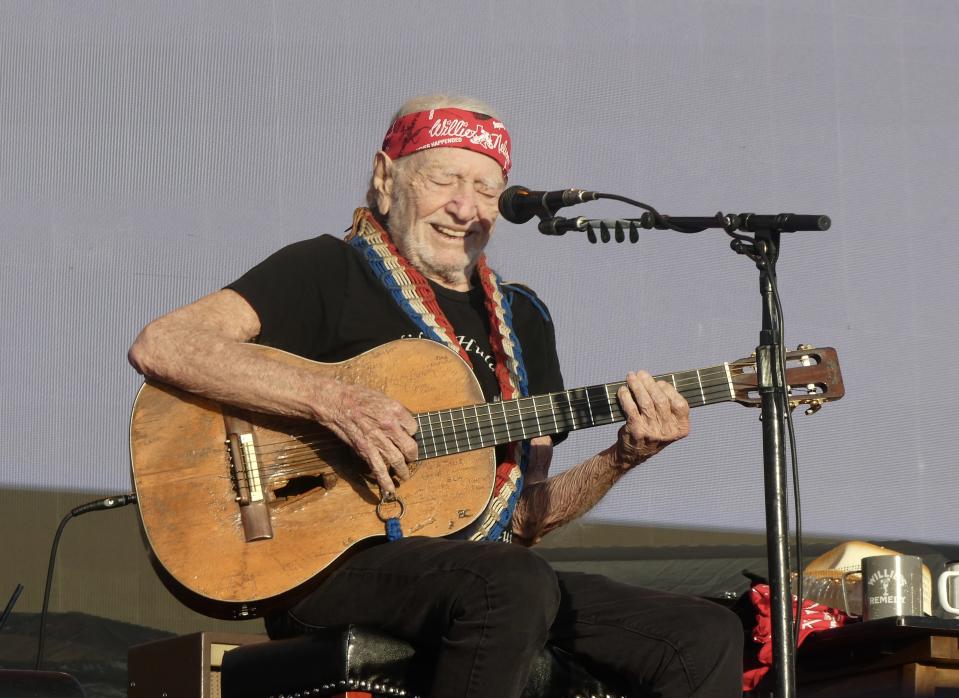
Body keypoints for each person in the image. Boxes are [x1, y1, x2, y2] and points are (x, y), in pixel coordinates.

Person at [128, 94, 743, 697]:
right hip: (323, 567)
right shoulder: (326, 271)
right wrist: (334, 402)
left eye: (486, 190)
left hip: (481, 568)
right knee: (511, 583)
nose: (464, 207)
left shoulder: (522, 321)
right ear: (386, 178)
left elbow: (524, 520)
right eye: (444, 179)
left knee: (702, 632)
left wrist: (624, 457)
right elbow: (165, 345)